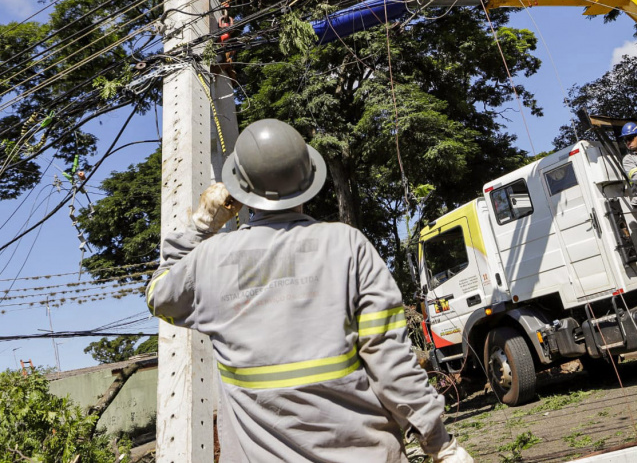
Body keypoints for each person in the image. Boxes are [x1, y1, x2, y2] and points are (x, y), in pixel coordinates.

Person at [145, 119, 472, 463]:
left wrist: (201, 226)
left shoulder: (209, 261)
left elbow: (159, 294)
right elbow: (390, 360)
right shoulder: (348, 246)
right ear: (308, 179)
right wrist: (440, 444)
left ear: (239, 190)